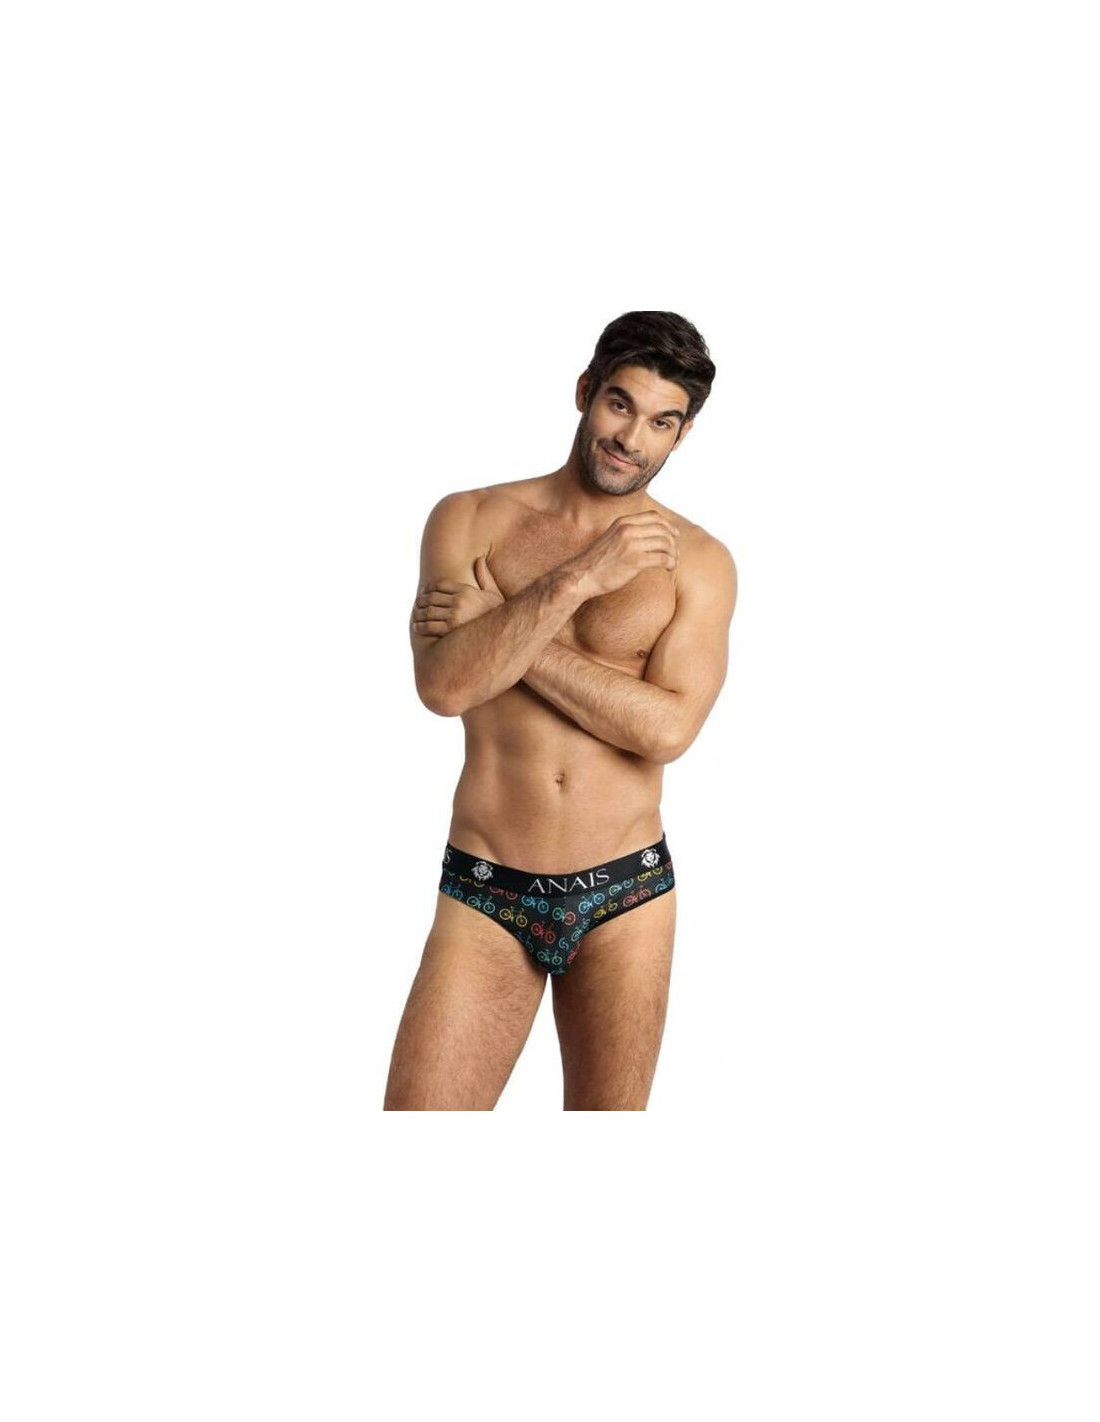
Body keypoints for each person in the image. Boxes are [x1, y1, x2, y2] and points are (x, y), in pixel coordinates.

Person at [383, 311, 738, 1110]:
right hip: (487, 886)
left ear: (682, 434)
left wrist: (505, 628)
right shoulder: (469, 517)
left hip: (626, 896)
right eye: (620, 405)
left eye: (661, 422)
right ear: (585, 392)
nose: (631, 439)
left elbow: (666, 729)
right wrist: (578, 580)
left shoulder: (700, 561)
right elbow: (444, 687)